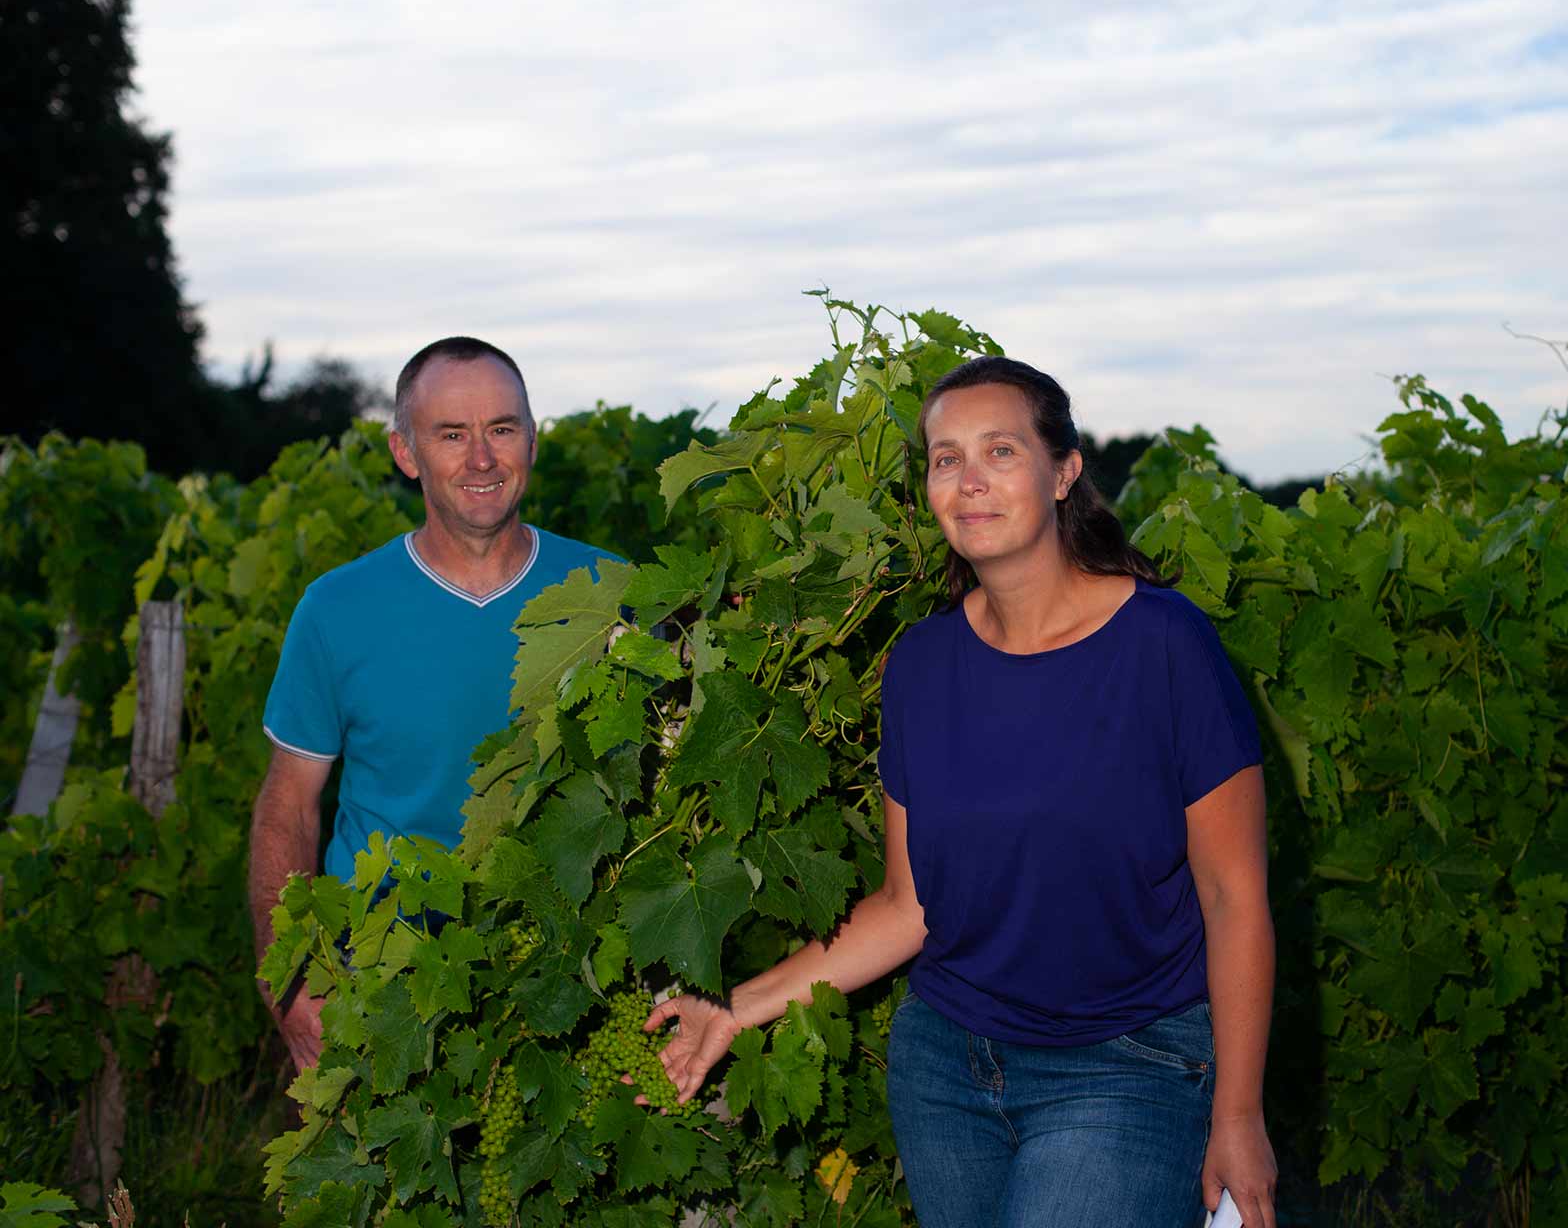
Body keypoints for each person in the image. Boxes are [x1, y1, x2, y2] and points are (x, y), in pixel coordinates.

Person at [643, 357, 1280, 1227]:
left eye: (1001, 451)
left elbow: (1233, 895)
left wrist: (1239, 1115)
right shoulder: (922, 665)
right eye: (946, 458)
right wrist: (733, 1011)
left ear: (1063, 473)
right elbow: (910, 907)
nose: (970, 480)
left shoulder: (1166, 646)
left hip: (1129, 1065)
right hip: (947, 1070)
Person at [248, 336, 612, 1072]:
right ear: (405, 452)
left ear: (532, 442)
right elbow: (288, 807)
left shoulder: (611, 595)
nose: (482, 459)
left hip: (564, 980)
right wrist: (286, 980)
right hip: (380, 983)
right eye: (452, 434)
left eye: (501, 429)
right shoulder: (337, 610)